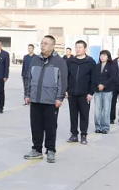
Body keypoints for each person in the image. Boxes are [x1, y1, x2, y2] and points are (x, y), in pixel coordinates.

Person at [24, 35, 67, 163]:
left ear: (53, 46)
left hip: (51, 101)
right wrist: (27, 94)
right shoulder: (35, 60)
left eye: (46, 43)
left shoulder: (59, 62)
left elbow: (63, 81)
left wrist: (60, 97)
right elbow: (28, 78)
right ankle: (37, 149)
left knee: (50, 127)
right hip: (35, 99)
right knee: (35, 126)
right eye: (42, 43)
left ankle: (51, 149)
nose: (43, 46)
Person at [66, 40, 96, 145]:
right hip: (72, 93)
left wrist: (91, 93)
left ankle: (83, 135)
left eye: (80, 47)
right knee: (73, 115)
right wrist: (66, 89)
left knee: (84, 115)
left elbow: (94, 79)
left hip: (84, 94)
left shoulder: (90, 62)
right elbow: (66, 76)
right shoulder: (70, 61)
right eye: (76, 47)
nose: (78, 49)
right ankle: (74, 134)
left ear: (85, 49)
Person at [93, 50, 115, 134]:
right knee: (97, 110)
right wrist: (98, 85)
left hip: (107, 90)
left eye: (104, 55)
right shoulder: (97, 66)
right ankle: (98, 127)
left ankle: (105, 127)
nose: (102, 57)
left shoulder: (112, 66)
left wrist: (104, 85)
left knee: (106, 109)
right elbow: (94, 77)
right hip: (97, 90)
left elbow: (112, 78)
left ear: (108, 57)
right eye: (101, 55)